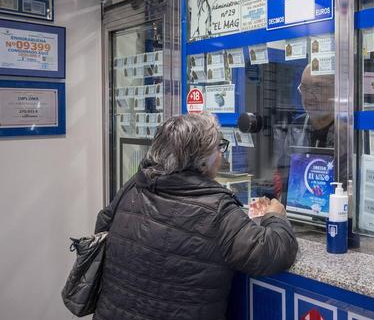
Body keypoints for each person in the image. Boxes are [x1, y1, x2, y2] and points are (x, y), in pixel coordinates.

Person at [93, 113, 298, 320]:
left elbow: (103, 225)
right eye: (219, 148)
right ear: (202, 162)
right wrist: (275, 216)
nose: (222, 155)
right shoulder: (217, 208)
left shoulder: (134, 186)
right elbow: (273, 253)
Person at [273, 64, 337, 200]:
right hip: (300, 210)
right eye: (304, 88)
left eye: (317, 87)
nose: (308, 96)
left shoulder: (348, 130)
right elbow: (284, 175)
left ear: (336, 90)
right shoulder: (297, 126)